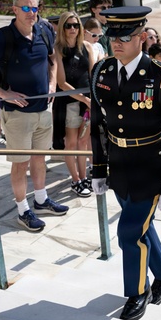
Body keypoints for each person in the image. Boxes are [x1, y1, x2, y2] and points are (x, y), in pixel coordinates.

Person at [89, 5, 161, 320]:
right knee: (142, 226)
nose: (116, 43)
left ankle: (138, 292)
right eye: (112, 37)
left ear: (142, 37)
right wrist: (99, 168)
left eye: (125, 37)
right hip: (119, 164)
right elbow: (98, 124)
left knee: (129, 233)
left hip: (151, 166)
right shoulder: (102, 71)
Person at [0, 0, 67, 232]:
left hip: (44, 110)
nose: (31, 13)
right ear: (14, 10)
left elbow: (53, 59)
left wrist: (52, 84)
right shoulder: (3, 38)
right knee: (21, 164)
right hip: (17, 114)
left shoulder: (44, 30)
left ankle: (41, 200)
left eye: (35, 8)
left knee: (40, 159)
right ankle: (23, 210)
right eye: (26, 8)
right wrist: (3, 94)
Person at [54, 10, 95, 197]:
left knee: (83, 142)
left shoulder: (87, 46)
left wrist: (92, 99)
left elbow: (93, 75)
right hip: (70, 102)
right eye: (68, 25)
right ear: (62, 28)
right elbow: (62, 83)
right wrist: (84, 99)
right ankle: (75, 179)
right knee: (70, 143)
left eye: (76, 25)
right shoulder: (58, 49)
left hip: (88, 103)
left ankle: (84, 177)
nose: (73, 29)